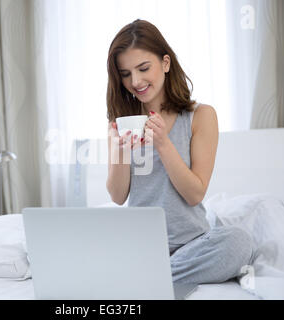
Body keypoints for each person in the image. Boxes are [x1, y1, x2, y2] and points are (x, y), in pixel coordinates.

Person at [106, 19, 254, 284]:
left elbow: (195, 193)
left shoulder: (201, 116)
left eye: (143, 68)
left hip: (192, 245)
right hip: (140, 247)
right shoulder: (122, 122)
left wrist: (163, 143)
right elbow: (117, 196)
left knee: (238, 243)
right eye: (126, 74)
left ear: (165, 63)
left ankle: (144, 279)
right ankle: (153, 275)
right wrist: (119, 152)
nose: (135, 81)